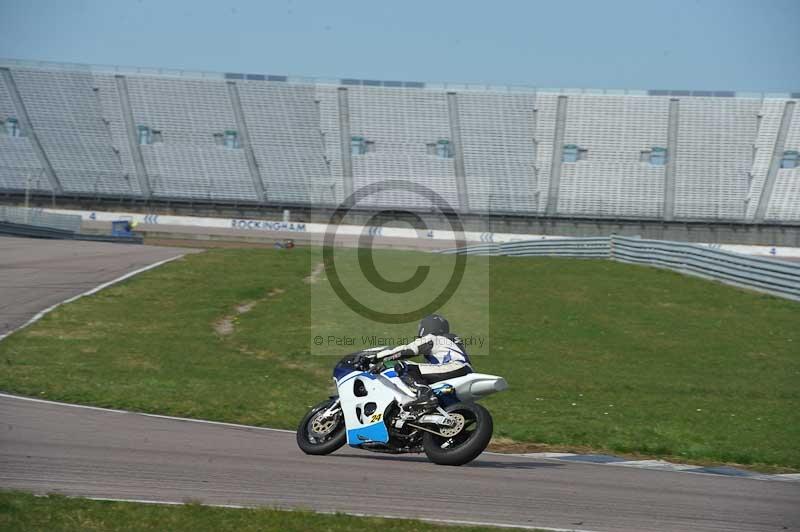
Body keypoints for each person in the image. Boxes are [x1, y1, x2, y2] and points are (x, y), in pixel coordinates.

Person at [375, 314, 472, 410]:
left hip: (454, 367)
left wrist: (377, 357)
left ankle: (425, 395)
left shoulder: (433, 338)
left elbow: (408, 350)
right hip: (463, 370)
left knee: (405, 366)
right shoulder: (450, 340)